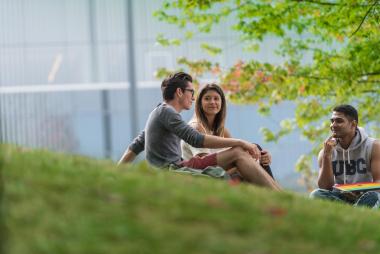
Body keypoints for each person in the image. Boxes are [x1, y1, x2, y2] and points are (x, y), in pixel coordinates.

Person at [118, 72, 281, 190]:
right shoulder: (166, 112)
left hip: (178, 166)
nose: (193, 97)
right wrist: (240, 142)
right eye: (192, 92)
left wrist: (117, 172)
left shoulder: (161, 113)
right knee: (239, 152)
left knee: (249, 151)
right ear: (179, 92)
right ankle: (279, 197)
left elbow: (136, 146)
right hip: (173, 170)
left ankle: (278, 195)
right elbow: (196, 139)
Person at [181, 83, 275, 179]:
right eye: (207, 98)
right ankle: (275, 191)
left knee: (256, 150)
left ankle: (274, 190)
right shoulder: (195, 127)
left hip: (222, 173)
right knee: (252, 158)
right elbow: (207, 169)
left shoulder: (221, 130)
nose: (212, 102)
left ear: (222, 103)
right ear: (199, 103)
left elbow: (239, 153)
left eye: (216, 98)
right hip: (208, 178)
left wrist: (261, 156)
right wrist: (245, 165)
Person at [310, 104, 380, 208]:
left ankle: (354, 214)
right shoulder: (325, 152)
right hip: (340, 198)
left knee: (374, 196)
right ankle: (356, 213)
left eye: (339, 121)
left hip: (367, 196)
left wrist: (360, 193)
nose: (333, 125)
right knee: (316, 194)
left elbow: (378, 182)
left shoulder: (374, 146)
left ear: (353, 124)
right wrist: (327, 156)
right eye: (332, 121)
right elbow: (325, 187)